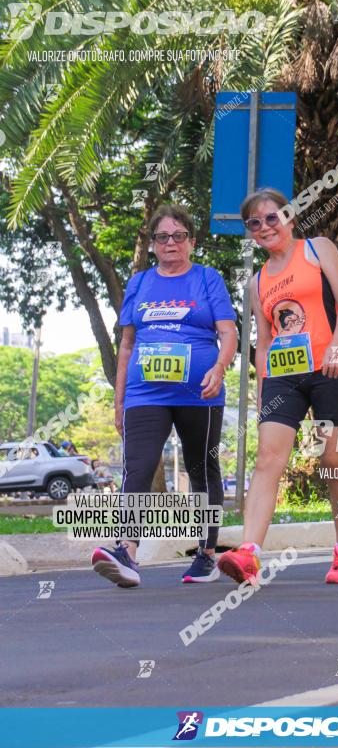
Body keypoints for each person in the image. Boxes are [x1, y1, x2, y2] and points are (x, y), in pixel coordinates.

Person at [218, 188, 338, 585]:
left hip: (333, 368)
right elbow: (264, 340)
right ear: (249, 232)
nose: (265, 227)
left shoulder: (318, 250)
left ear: (289, 218)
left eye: (272, 218)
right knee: (268, 459)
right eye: (255, 223)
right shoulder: (257, 281)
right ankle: (249, 553)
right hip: (285, 374)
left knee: (334, 464)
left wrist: (337, 345)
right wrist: (264, 387)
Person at [91, 204, 237, 588]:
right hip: (145, 392)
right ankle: (127, 552)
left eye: (178, 236)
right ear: (153, 244)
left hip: (198, 392)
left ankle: (206, 555)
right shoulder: (139, 283)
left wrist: (219, 369)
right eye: (162, 237)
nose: (170, 243)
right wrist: (119, 401)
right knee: (137, 466)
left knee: (202, 468)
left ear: (191, 240)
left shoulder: (207, 279)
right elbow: (126, 345)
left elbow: (228, 334)